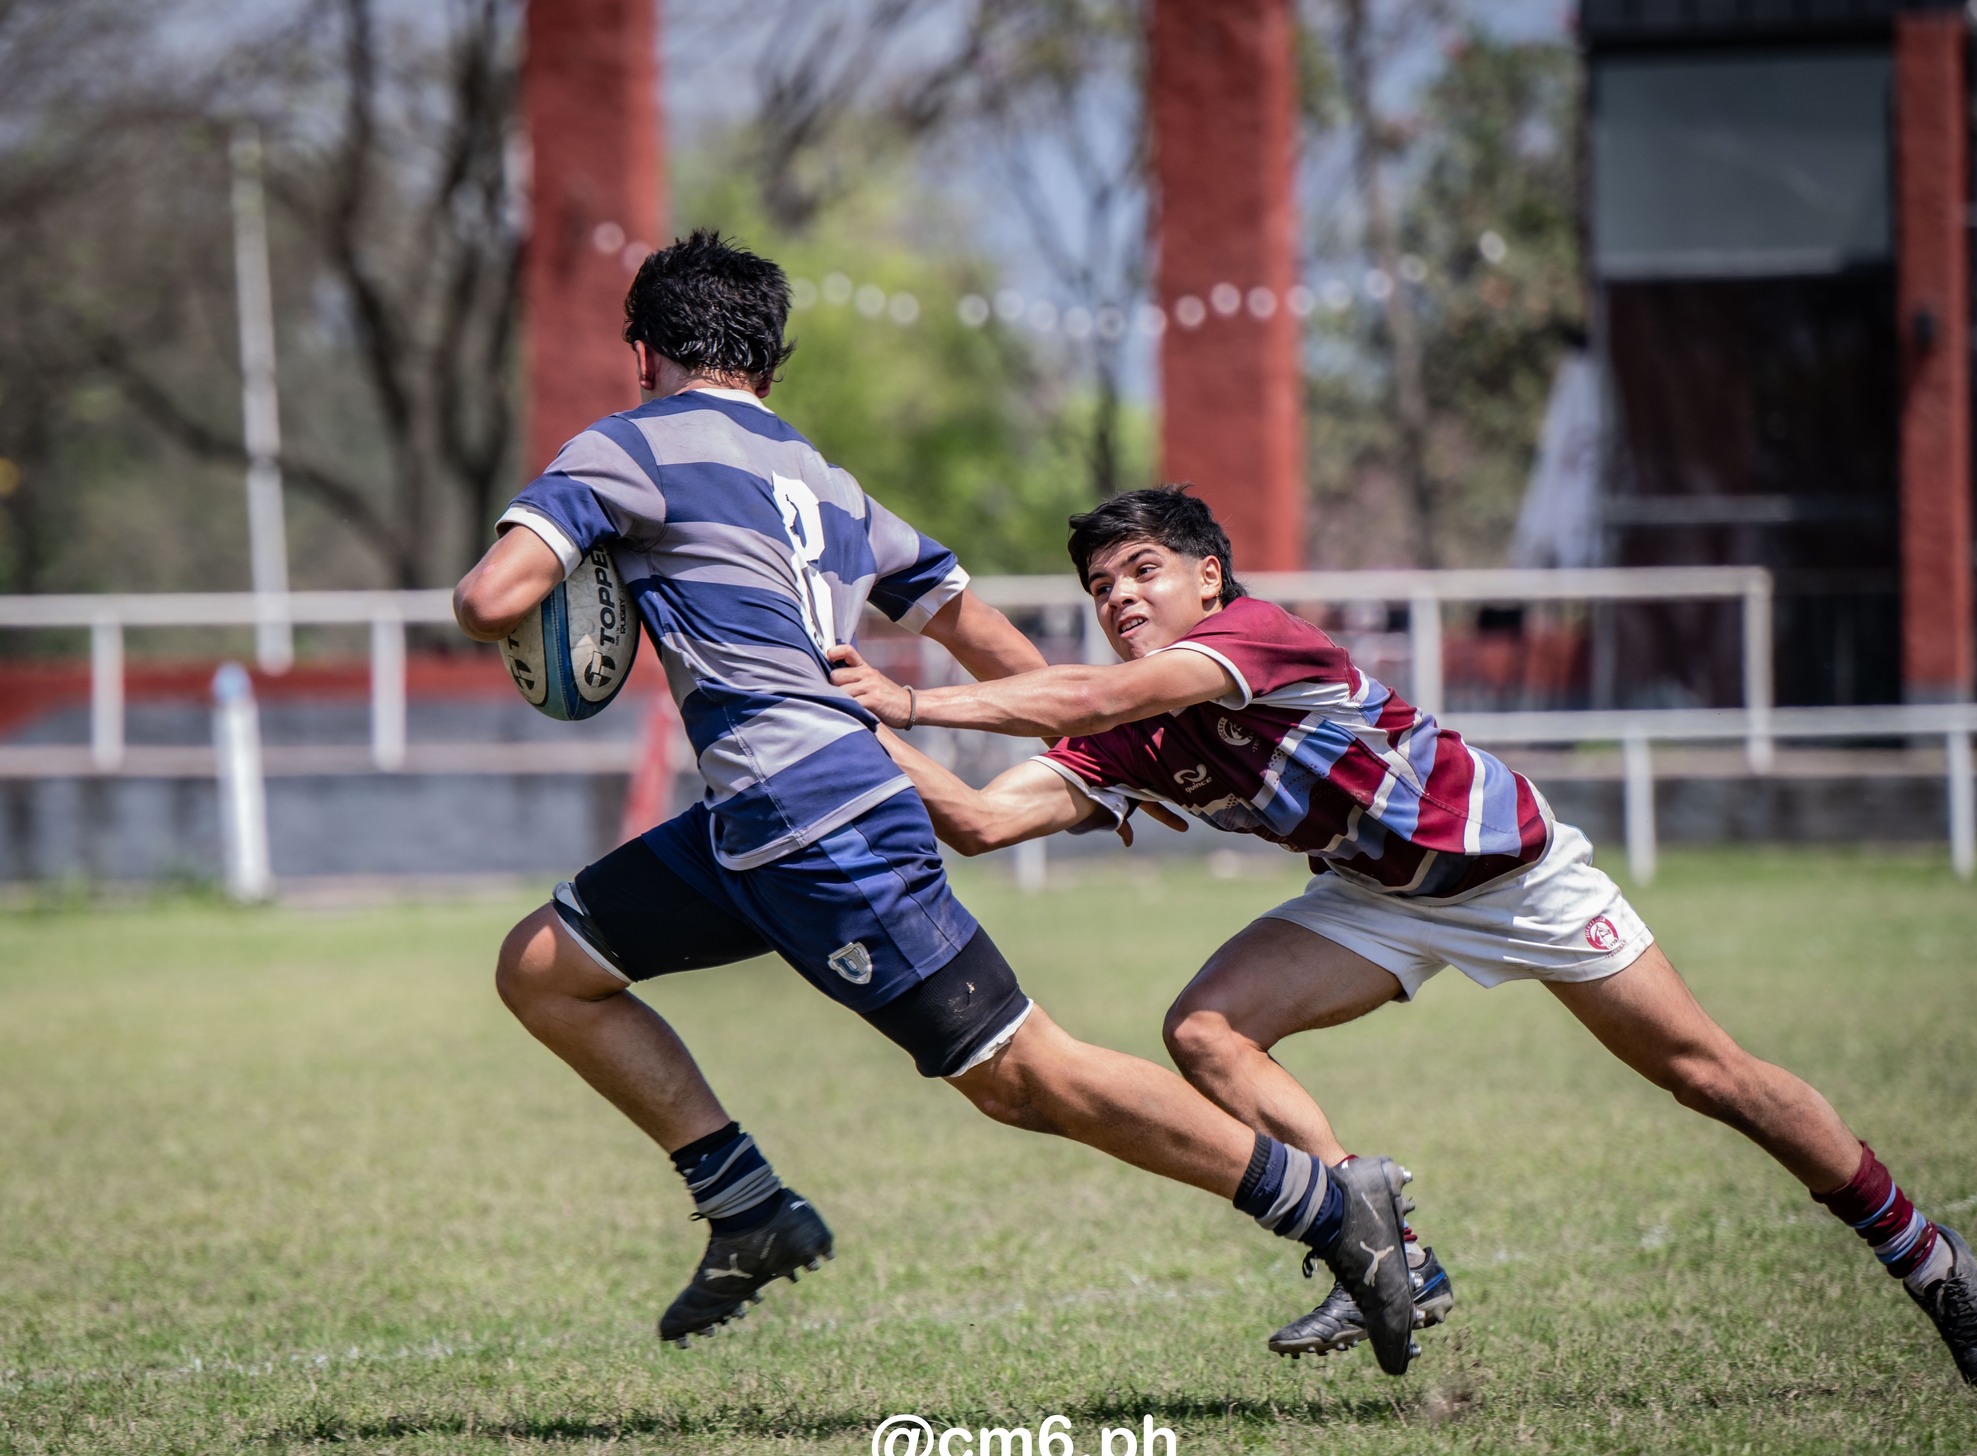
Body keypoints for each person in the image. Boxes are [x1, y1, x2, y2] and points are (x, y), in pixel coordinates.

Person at [450, 236, 1432, 1373]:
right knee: (544, 964)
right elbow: (964, 622)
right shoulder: (825, 482)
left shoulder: (625, 447)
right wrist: (1104, 739)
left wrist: (568, 556)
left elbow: (491, 598)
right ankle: (746, 1204)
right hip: (754, 823)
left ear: (643, 354)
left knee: (1026, 1076)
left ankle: (1323, 1203)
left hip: (815, 822)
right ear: (769, 362)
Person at [825, 484, 1977, 1386]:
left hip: (1513, 875)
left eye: (1142, 571)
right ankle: (1389, 1250)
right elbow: (983, 819)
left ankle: (1929, 1261)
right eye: (1099, 589)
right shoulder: (1137, 733)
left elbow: (1087, 695)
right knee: (1204, 1030)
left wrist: (917, 694)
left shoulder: (1254, 641)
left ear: (1208, 577)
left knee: (1707, 1074)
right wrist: (848, 723)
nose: (1120, 597)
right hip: (1372, 896)